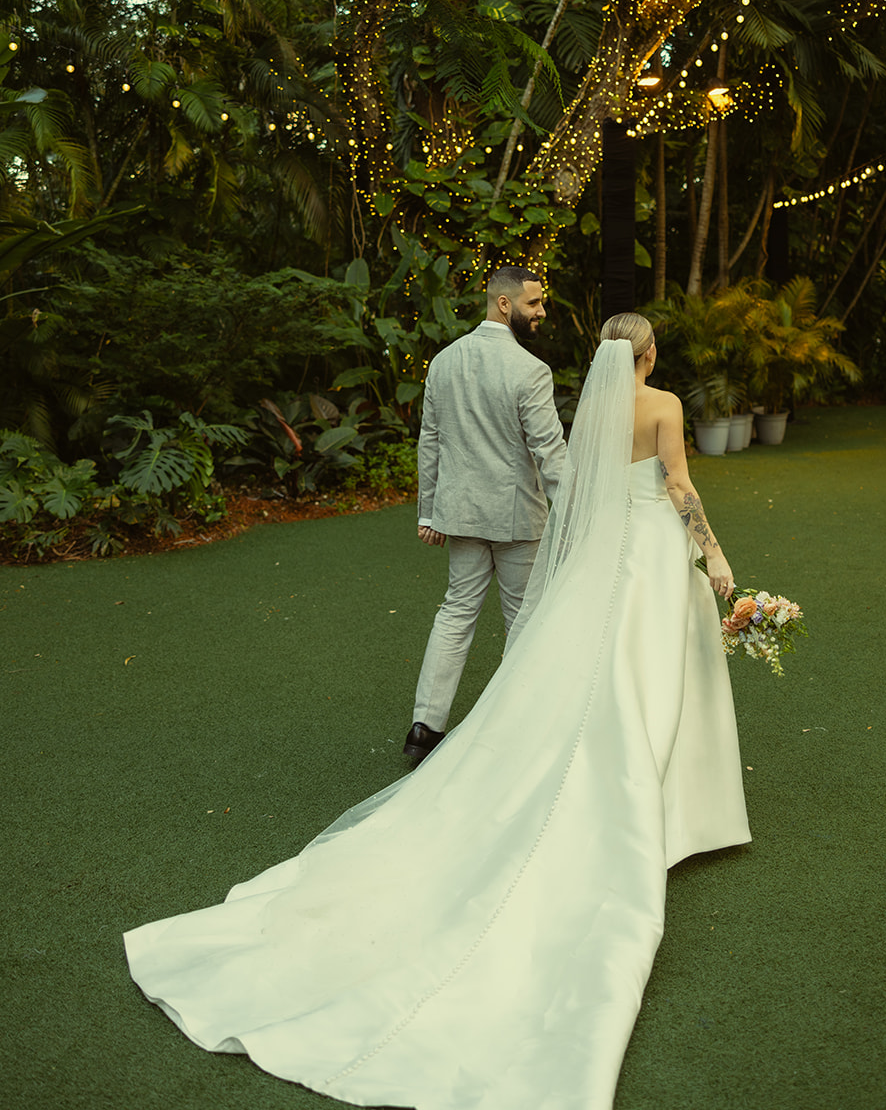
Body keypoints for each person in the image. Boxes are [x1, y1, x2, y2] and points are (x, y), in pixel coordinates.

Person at [124, 313, 750, 1110]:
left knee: (589, 667)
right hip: (653, 551)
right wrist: (714, 553)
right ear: (651, 353)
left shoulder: (587, 410)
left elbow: (579, 488)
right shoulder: (660, 403)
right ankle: (666, 806)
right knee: (646, 670)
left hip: (599, 556)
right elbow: (679, 485)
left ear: (601, 355)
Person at [405, 264, 568, 765]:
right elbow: (550, 453)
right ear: (504, 304)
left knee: (455, 614)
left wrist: (428, 512)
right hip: (518, 519)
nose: (541, 312)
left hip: (460, 515)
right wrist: (576, 511)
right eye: (533, 303)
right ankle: (514, 728)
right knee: (523, 619)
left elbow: (429, 440)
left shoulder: (444, 362)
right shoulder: (530, 370)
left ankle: (424, 727)